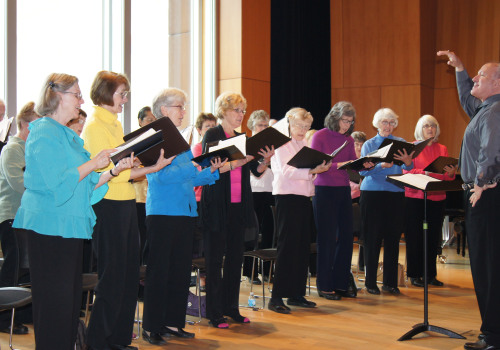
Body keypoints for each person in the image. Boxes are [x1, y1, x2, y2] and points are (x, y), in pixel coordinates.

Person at [11, 73, 133, 350]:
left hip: (68, 225)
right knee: (54, 305)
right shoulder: (42, 130)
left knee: (67, 305)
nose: (80, 100)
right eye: (76, 95)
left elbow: (85, 182)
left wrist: (113, 170)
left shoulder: (67, 134)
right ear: (57, 96)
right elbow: (57, 181)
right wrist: (95, 162)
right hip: (49, 225)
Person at [81, 71, 172, 350]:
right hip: (107, 204)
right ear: (107, 93)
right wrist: (127, 168)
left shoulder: (115, 124)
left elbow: (125, 173)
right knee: (112, 277)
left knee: (129, 275)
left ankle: (119, 339)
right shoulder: (96, 125)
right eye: (122, 93)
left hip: (125, 203)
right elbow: (104, 172)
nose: (125, 99)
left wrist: (152, 168)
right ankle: (99, 341)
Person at [141, 88, 225, 345]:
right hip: (163, 213)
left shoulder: (179, 138)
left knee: (180, 272)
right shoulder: (154, 138)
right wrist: (191, 167)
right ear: (164, 110)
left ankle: (173, 322)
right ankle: (153, 326)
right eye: (179, 107)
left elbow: (190, 177)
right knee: (159, 271)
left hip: (185, 212)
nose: (183, 111)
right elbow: (160, 175)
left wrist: (211, 171)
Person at [437, 50, 500, 350]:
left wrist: (481, 184)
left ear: (498, 83)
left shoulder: (496, 112)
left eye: (481, 76)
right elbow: (468, 99)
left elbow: (492, 152)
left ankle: (493, 336)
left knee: (487, 266)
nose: (475, 78)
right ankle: (492, 330)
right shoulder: (487, 108)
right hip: (483, 193)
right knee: (486, 264)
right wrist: (460, 68)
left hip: (485, 196)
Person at [200, 91, 274, 328]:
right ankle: (214, 312)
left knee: (234, 259)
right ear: (224, 111)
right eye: (237, 110)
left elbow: (255, 171)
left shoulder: (242, 137)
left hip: (238, 205)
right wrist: (235, 163)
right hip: (217, 205)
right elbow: (209, 167)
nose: (241, 115)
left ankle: (231, 307)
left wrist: (265, 161)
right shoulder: (213, 134)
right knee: (214, 261)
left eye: (243, 111)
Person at [268, 107, 331, 314]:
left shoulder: (303, 143)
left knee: (302, 246)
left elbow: (303, 171)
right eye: (298, 126)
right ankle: (276, 296)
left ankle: (296, 293)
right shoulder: (281, 143)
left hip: (303, 197)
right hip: (287, 197)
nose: (303, 130)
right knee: (287, 247)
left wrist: (314, 170)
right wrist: (312, 170)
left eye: (306, 127)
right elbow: (286, 172)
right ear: (289, 124)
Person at [311, 101, 372, 301]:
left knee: (346, 238)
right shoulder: (320, 136)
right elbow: (317, 165)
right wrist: (342, 164)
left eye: (350, 121)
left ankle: (340, 283)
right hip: (324, 190)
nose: (347, 125)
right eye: (344, 120)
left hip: (343, 190)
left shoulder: (347, 140)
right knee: (327, 239)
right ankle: (324, 285)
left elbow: (352, 166)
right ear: (334, 117)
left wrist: (365, 165)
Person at [359, 108, 414, 295]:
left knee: (392, 238)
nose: (388, 126)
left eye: (391, 122)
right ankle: (370, 282)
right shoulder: (369, 144)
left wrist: (407, 161)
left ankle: (390, 282)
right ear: (377, 123)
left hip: (395, 192)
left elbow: (410, 166)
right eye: (384, 122)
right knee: (372, 238)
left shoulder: (401, 143)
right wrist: (382, 165)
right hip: (372, 194)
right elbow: (362, 171)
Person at [0, 102, 40, 334]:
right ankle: (4, 319)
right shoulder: (13, 148)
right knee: (12, 269)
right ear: (25, 125)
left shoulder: (29, 148)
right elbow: (18, 183)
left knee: (24, 270)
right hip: (11, 216)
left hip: (26, 218)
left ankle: (23, 314)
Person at [404, 114, 456, 288]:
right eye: (426, 126)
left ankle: (430, 274)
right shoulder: (412, 147)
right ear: (420, 128)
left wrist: (449, 174)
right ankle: (414, 274)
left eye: (433, 126)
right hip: (415, 198)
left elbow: (448, 178)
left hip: (437, 197)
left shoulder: (442, 148)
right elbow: (406, 172)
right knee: (415, 237)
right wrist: (426, 173)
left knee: (433, 238)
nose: (430, 129)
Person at [243, 110, 274, 285]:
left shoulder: (272, 144)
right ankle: (250, 271)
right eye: (260, 125)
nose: (263, 128)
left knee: (269, 233)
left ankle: (268, 271)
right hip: (253, 192)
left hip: (270, 190)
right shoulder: (249, 144)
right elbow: (256, 172)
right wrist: (266, 161)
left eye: (265, 125)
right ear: (252, 126)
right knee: (252, 234)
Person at [133, 106, 156, 265]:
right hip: (137, 198)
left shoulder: (156, 141)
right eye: (149, 120)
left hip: (152, 198)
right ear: (140, 122)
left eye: (154, 121)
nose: (152, 123)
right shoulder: (134, 142)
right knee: (138, 240)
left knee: (150, 241)